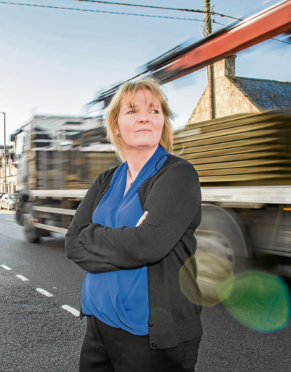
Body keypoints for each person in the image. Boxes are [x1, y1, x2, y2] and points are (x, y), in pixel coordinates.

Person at [66, 78, 202, 372]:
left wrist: (92, 234)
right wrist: (124, 243)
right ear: (115, 126)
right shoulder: (105, 180)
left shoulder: (177, 175)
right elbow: (72, 243)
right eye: (132, 111)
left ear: (163, 122)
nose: (144, 116)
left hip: (149, 339)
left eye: (154, 110)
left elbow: (147, 246)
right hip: (98, 327)